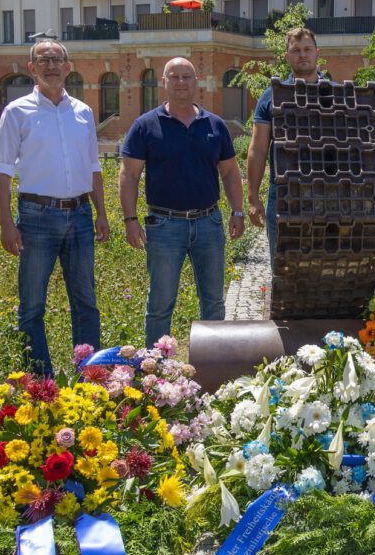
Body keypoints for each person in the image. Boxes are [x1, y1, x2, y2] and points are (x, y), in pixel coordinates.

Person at [0, 39, 107, 375]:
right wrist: (5, 224)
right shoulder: (17, 112)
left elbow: (93, 166)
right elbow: (1, 170)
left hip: (81, 215)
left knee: (86, 303)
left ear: (68, 66)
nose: (51, 65)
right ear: (32, 68)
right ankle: (41, 383)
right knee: (32, 306)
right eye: (43, 59)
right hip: (36, 217)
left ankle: (90, 378)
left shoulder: (83, 112)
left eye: (57, 59)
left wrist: (101, 213)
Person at [120, 57, 245, 347]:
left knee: (213, 301)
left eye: (186, 77)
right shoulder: (145, 126)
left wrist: (237, 211)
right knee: (160, 303)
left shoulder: (214, 124)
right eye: (174, 77)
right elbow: (129, 175)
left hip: (209, 223)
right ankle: (156, 366)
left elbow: (229, 172)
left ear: (196, 81)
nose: (181, 82)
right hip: (164, 225)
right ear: (164, 82)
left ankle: (213, 361)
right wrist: (130, 219)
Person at [246, 27, 323, 263]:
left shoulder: (335, 94)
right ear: (287, 56)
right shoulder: (271, 96)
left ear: (317, 53)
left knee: (325, 268)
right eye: (296, 50)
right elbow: (258, 149)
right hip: (282, 194)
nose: (303, 55)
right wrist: (252, 197)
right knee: (283, 268)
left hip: (328, 193)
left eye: (307, 49)